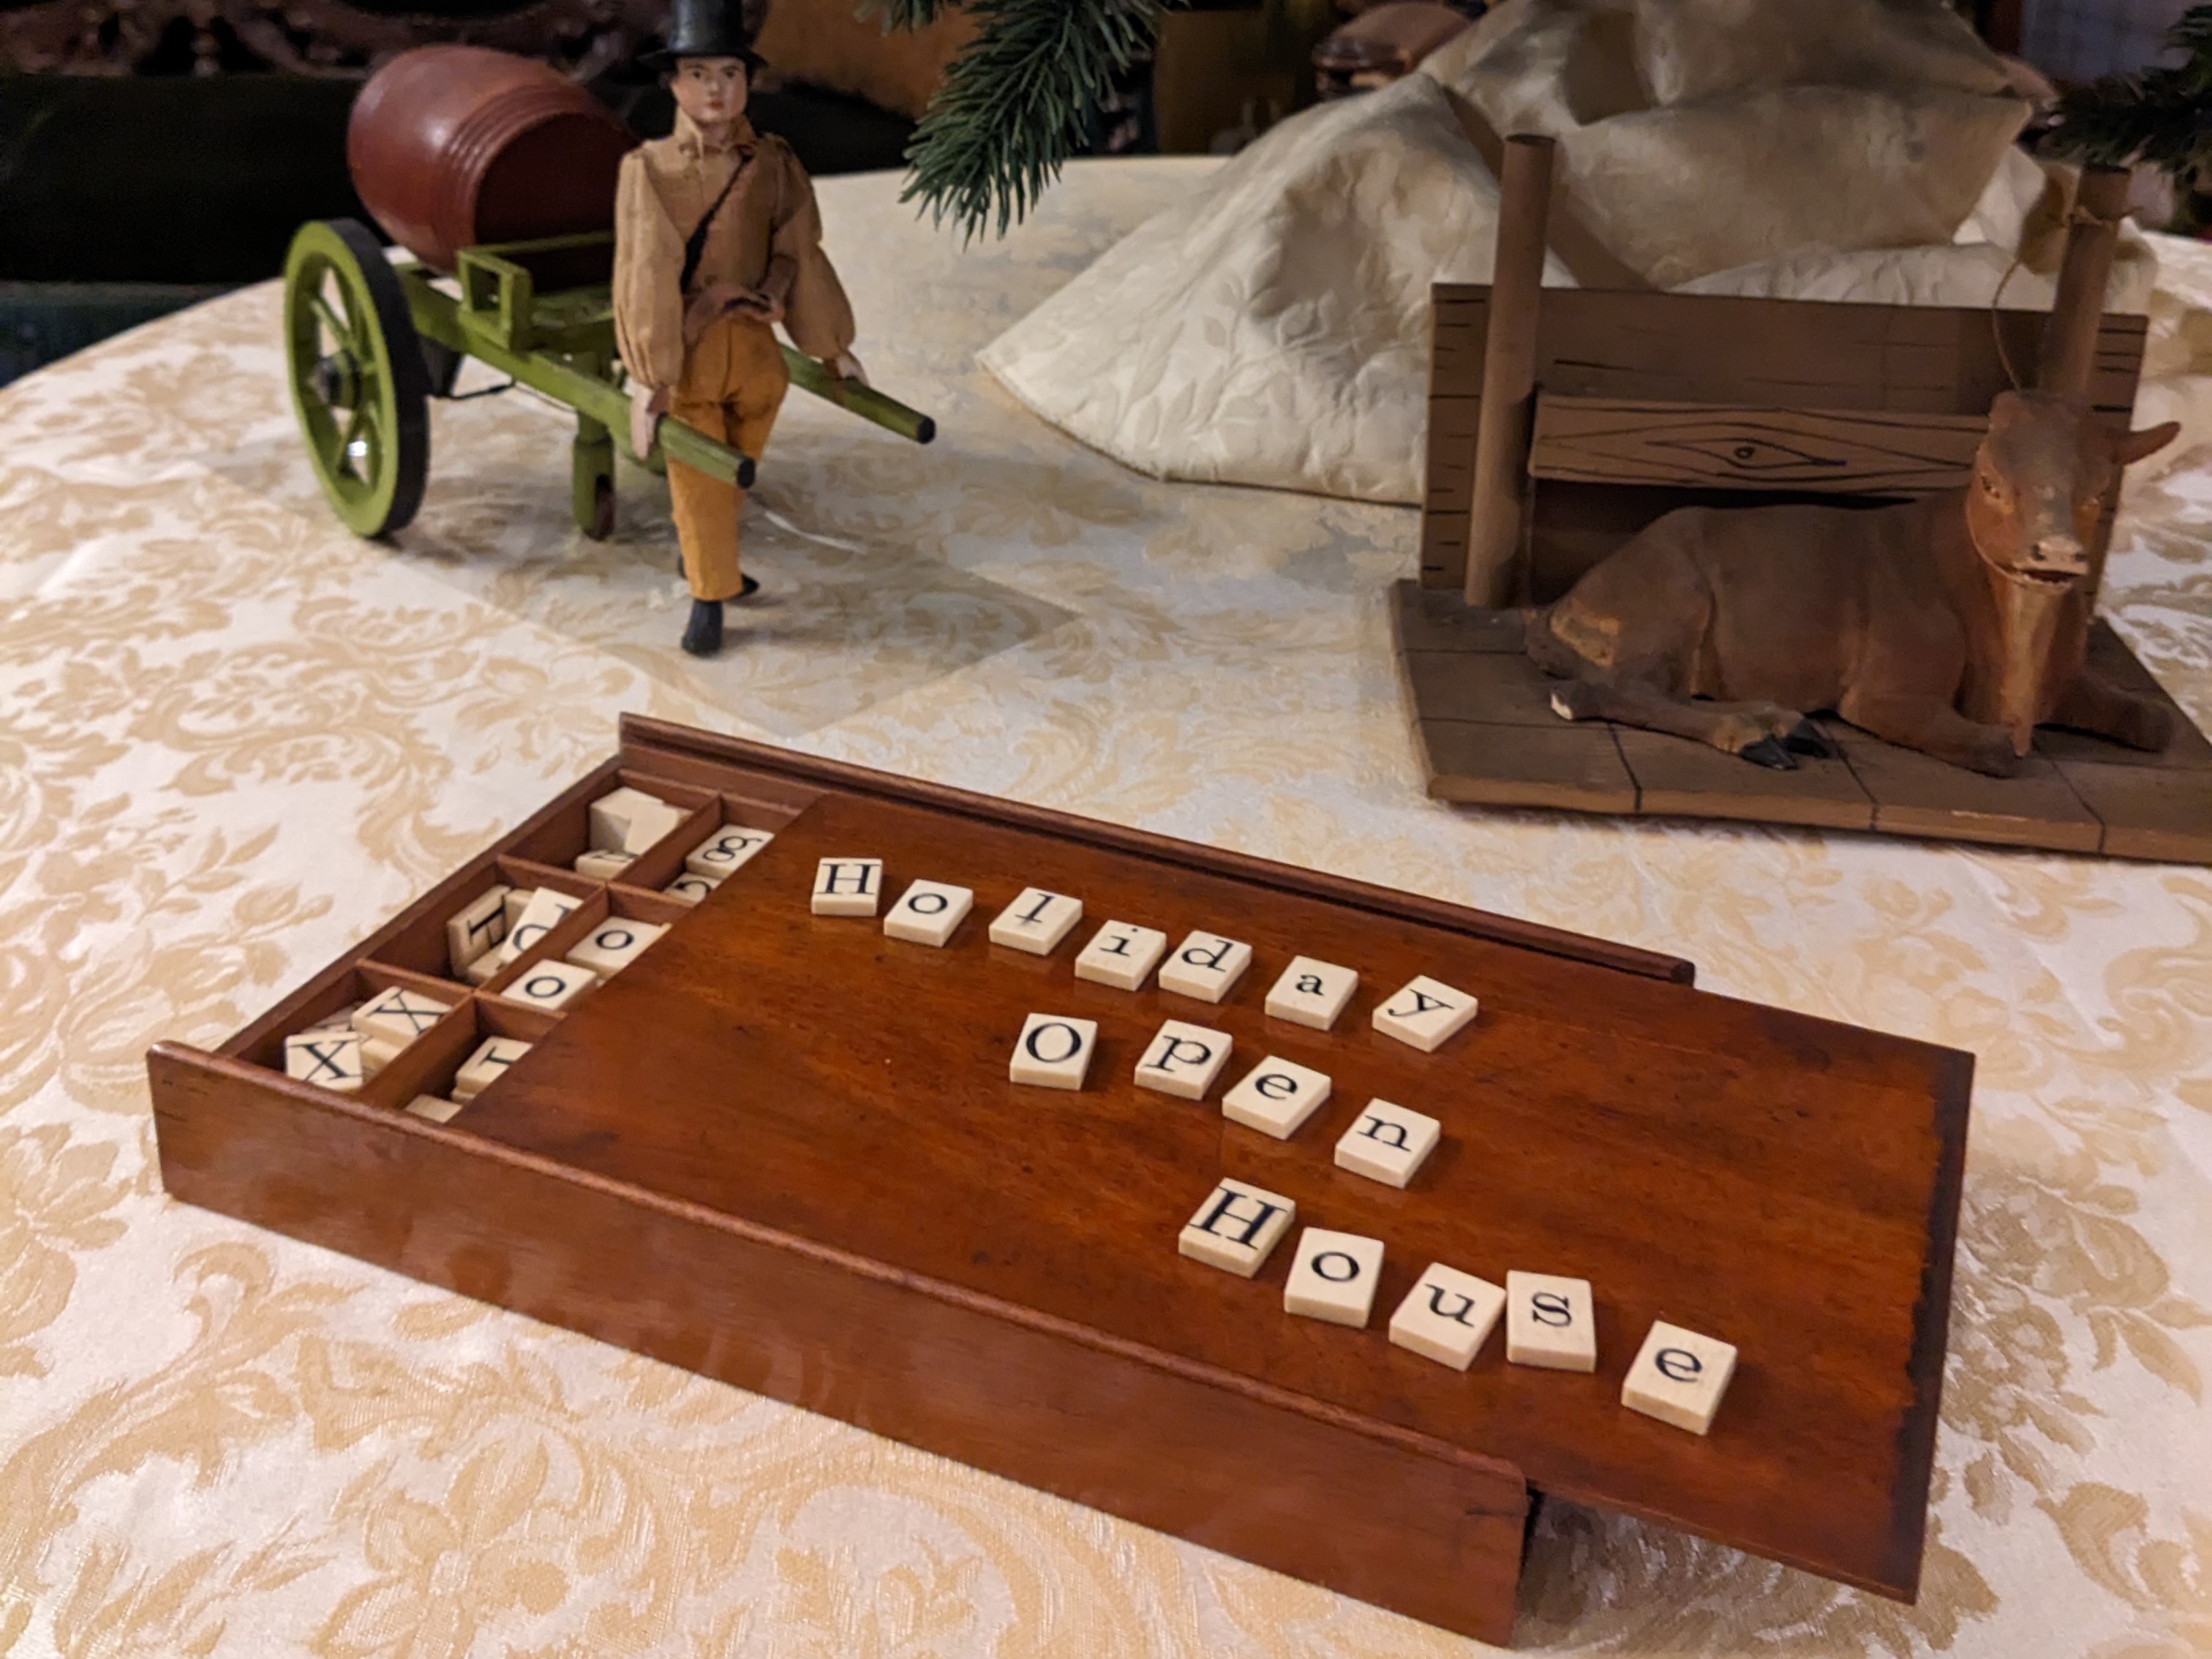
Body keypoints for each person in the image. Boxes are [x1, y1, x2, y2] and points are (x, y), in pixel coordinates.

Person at [612, 0, 866, 656]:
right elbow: (646, 271)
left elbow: (801, 248)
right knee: (702, 476)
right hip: (692, 352)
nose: (716, 88)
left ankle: (709, 562)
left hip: (757, 356)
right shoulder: (651, 172)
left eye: (729, 72)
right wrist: (650, 375)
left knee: (736, 471)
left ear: (747, 81)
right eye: (698, 73)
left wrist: (830, 347)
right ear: (673, 84)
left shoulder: (773, 163)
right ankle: (708, 596)